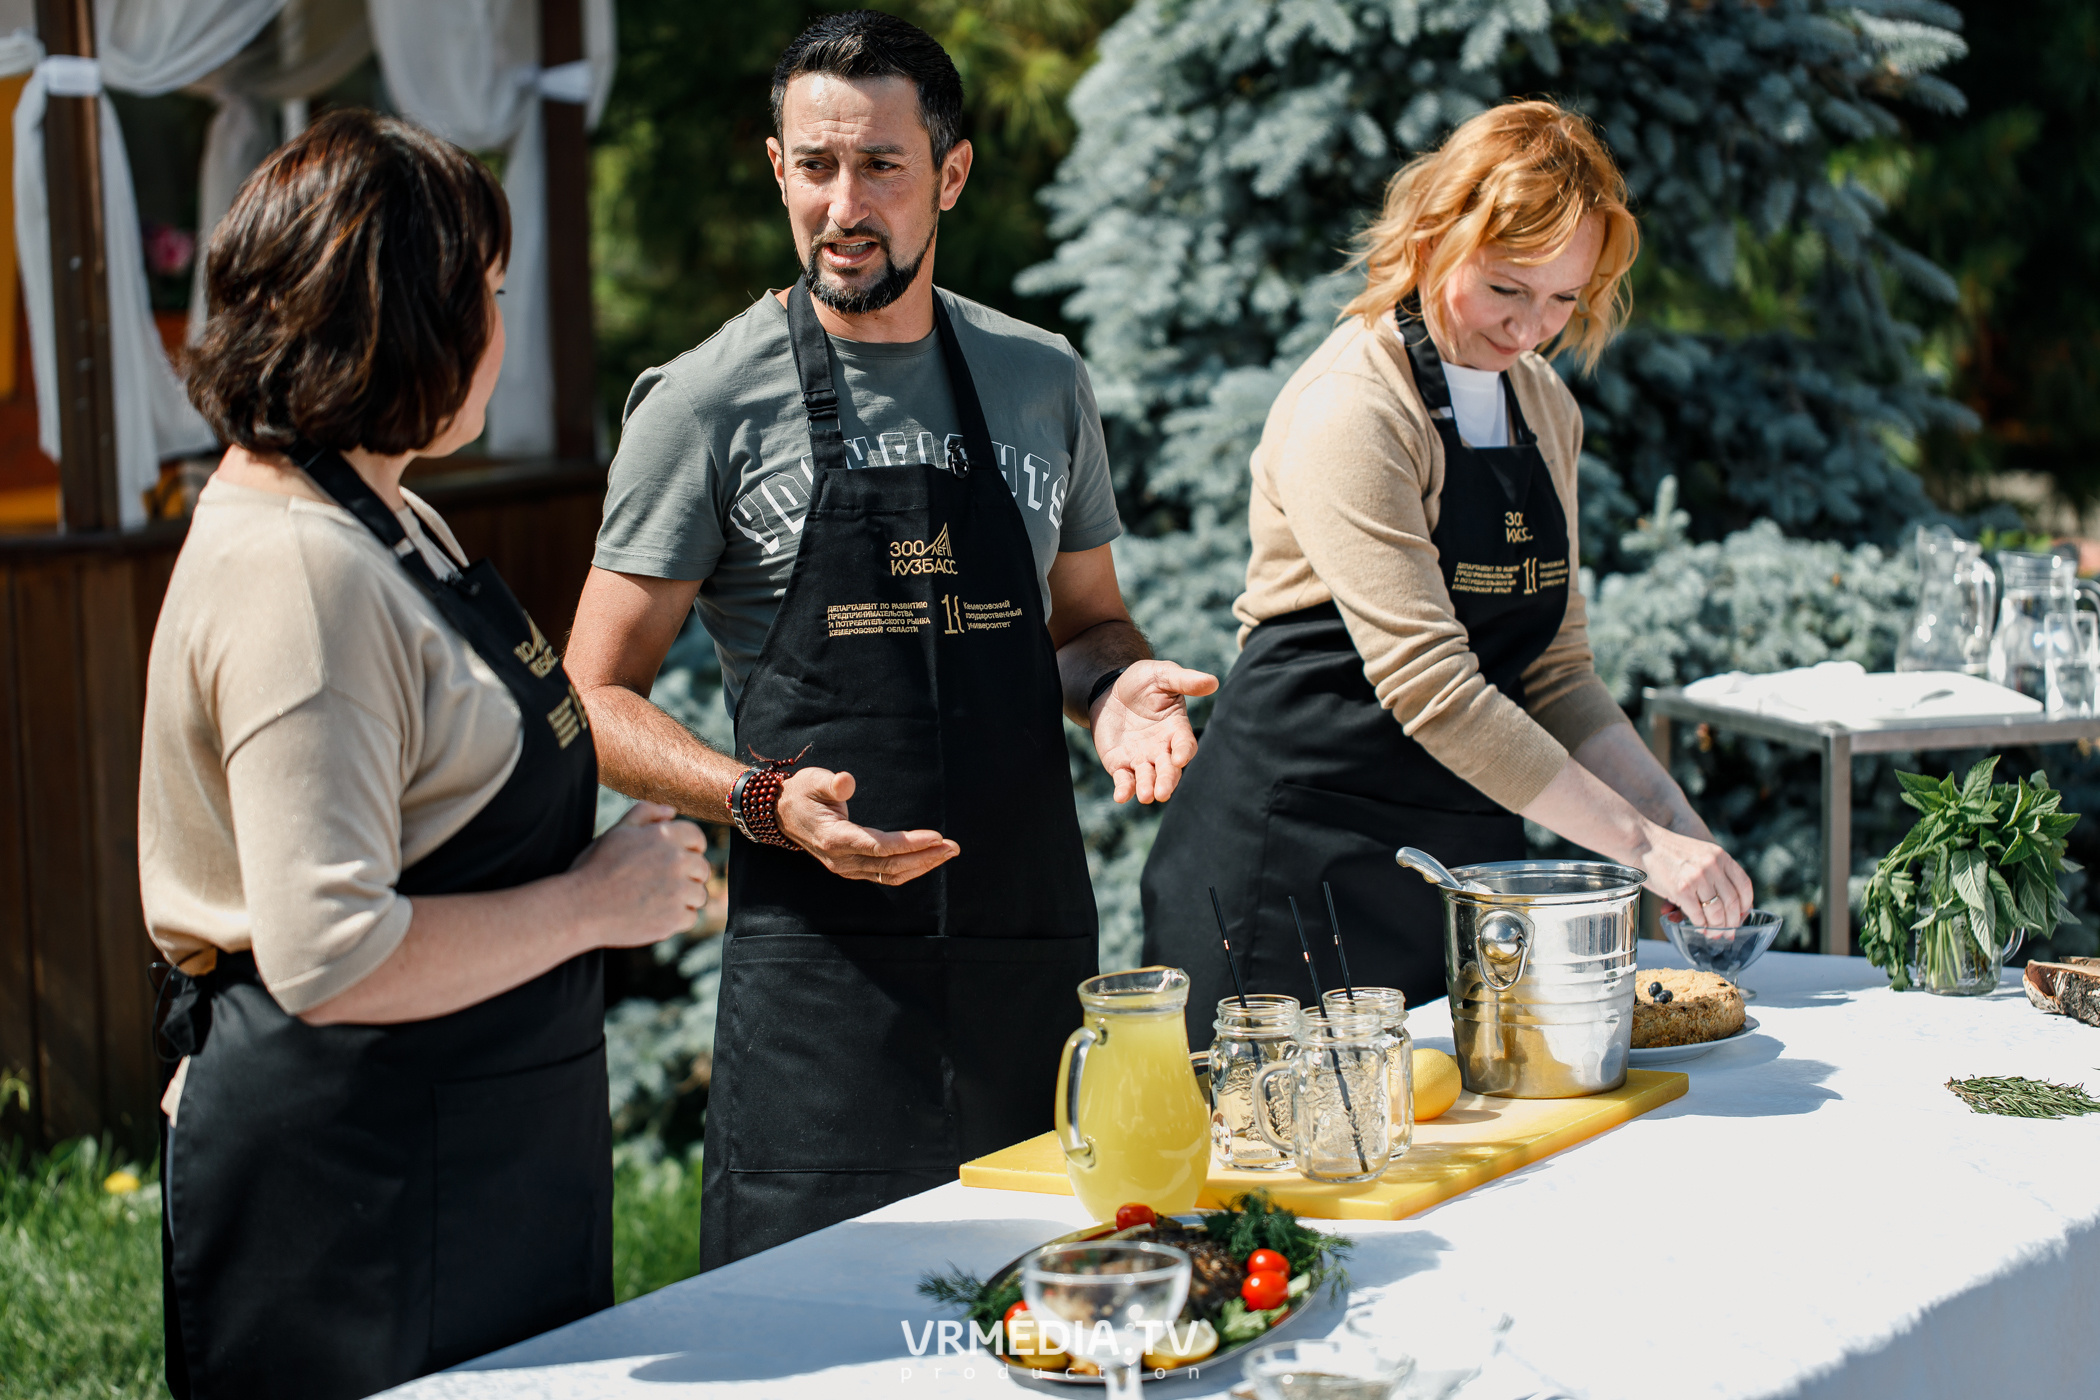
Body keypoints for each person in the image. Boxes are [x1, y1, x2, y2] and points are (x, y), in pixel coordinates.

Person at [566, 9, 1214, 1269]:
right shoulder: (702, 402)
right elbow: (592, 697)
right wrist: (756, 798)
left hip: (1031, 961)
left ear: (951, 175)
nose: (842, 203)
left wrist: (1122, 686)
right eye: (815, 166)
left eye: (881, 166)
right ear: (778, 168)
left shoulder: (1041, 380)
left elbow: (1084, 623)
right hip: (822, 992)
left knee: (1059, 1309)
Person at [143, 111, 711, 1399]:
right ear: (408, 319)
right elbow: (331, 952)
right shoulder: (300, 569)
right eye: (492, 296)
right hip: (362, 1191)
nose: (506, 333)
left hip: (474, 1143)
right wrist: (592, 905)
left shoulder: (391, 510)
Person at [1141, 101, 1753, 1039]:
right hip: (1290, 874)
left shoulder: (1543, 405)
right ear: (1434, 237)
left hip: (1454, 872)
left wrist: (1680, 832)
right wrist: (1639, 852)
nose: (1530, 330)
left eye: (1562, 301)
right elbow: (1434, 689)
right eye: (1509, 288)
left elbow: (1555, 673)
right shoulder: (1354, 406)